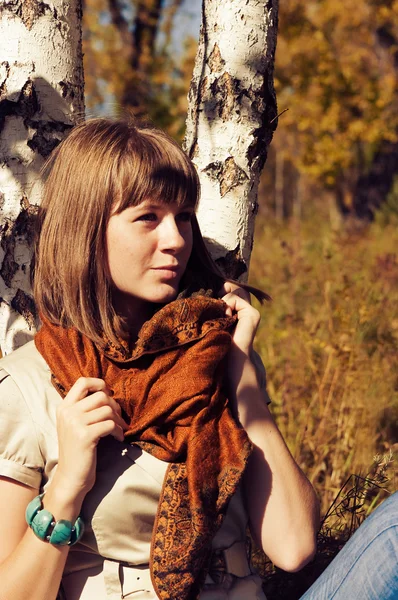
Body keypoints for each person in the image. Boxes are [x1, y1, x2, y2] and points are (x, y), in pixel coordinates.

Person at [0, 117, 394, 600]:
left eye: (184, 216)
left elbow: (292, 547)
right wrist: (66, 489)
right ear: (87, 230)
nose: (176, 240)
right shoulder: (29, 386)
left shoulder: (215, 353)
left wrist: (242, 381)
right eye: (148, 217)